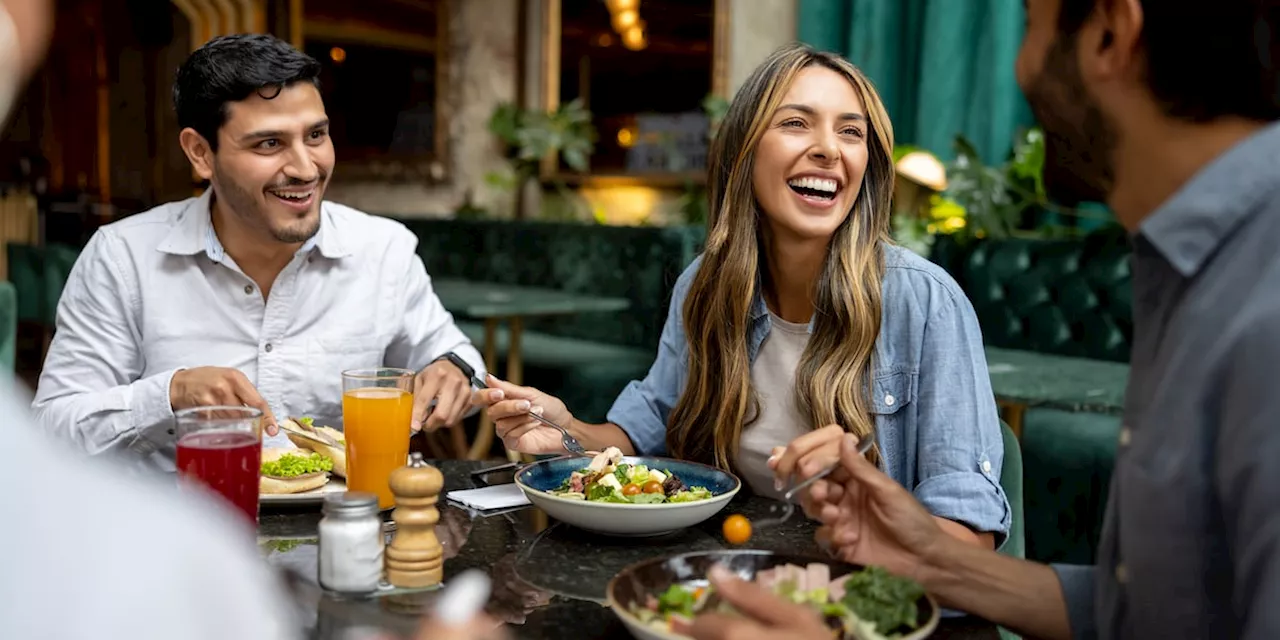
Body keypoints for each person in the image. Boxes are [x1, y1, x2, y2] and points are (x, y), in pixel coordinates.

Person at [690, 1, 1280, 639]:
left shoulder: (1260, 306)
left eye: (1029, 24)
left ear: (1111, 32)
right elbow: (1159, 612)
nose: (1021, 72)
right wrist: (929, 558)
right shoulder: (1193, 270)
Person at [475, 43, 1009, 550]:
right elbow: (640, 435)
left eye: (852, 132)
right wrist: (566, 430)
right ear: (744, 152)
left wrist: (866, 515)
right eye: (797, 123)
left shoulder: (927, 302)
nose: (827, 148)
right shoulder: (706, 286)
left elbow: (970, 540)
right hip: (727, 574)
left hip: (861, 595)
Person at [31, 34, 484, 466]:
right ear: (200, 153)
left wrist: (453, 370)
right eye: (270, 143)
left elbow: (459, 360)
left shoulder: (383, 249)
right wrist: (171, 395)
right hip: (173, 529)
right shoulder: (123, 257)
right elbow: (53, 430)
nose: (306, 169)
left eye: (315, 136)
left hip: (343, 527)